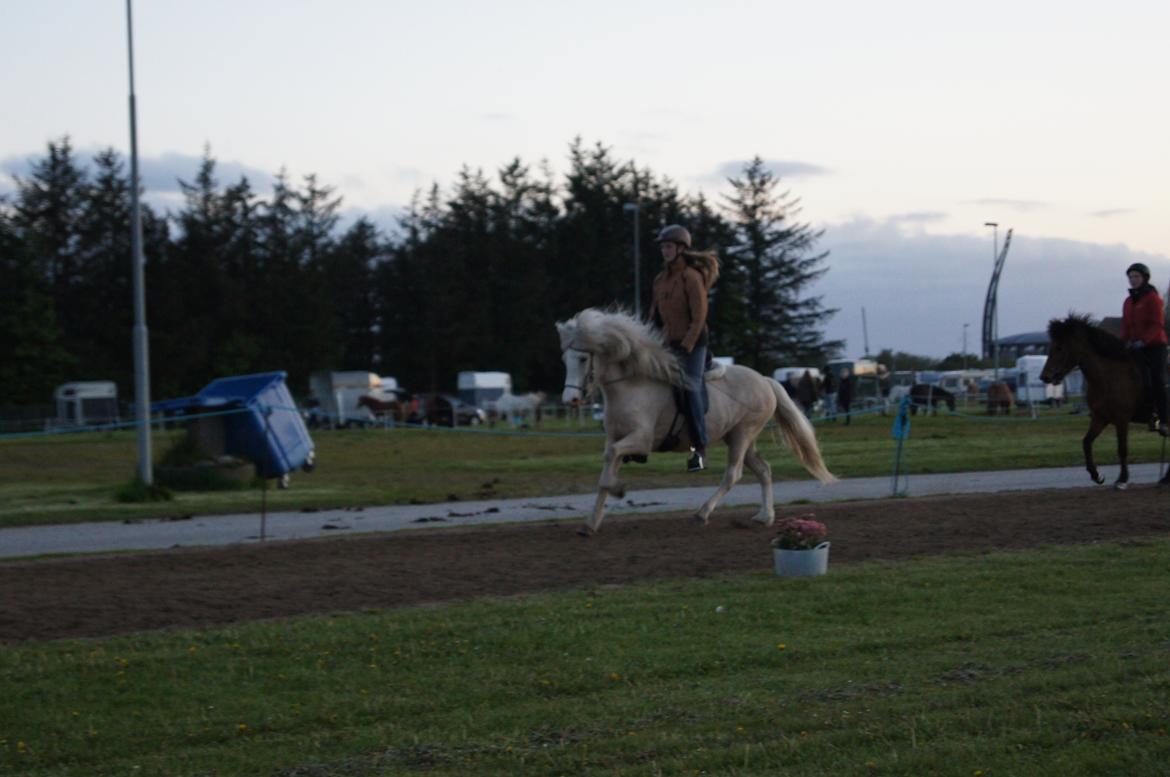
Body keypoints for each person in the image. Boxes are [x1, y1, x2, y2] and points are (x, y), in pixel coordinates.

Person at [647, 224, 719, 472]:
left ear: (680, 249)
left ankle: (699, 449)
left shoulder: (691, 276)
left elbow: (699, 317)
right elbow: (654, 317)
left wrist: (687, 343)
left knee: (690, 386)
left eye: (668, 246)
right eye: (662, 247)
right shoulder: (660, 280)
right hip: (668, 343)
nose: (664, 251)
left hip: (694, 343)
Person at [1120, 262, 1169, 436]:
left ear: (1144, 278)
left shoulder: (1152, 298)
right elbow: (1125, 326)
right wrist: (1123, 343)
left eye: (1136, 277)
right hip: (1135, 346)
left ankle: (1163, 419)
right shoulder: (1128, 301)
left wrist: (1144, 340)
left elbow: (1157, 324)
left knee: (1156, 380)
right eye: (1130, 277)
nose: (1133, 280)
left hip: (1155, 346)